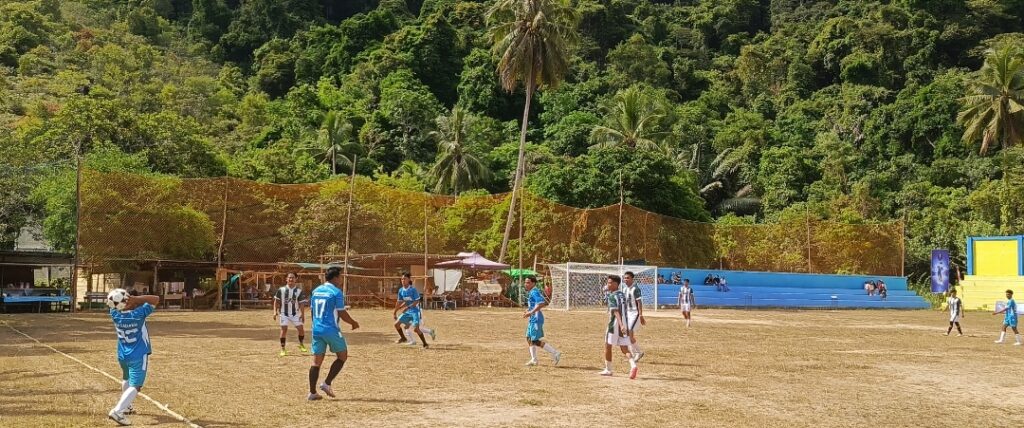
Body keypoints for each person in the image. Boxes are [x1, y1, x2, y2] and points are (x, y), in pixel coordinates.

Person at [107, 293, 161, 426]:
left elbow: (114, 303)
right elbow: (156, 299)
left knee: (126, 378)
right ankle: (117, 411)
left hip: (122, 354)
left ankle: (126, 406)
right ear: (127, 303)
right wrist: (136, 299)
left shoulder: (114, 313)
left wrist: (127, 301)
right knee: (136, 385)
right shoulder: (138, 314)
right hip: (138, 354)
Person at [307, 267, 360, 401]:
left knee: (316, 362)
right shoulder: (336, 292)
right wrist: (353, 322)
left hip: (316, 329)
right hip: (330, 329)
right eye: (340, 277)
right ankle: (327, 383)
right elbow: (341, 312)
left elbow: (312, 311)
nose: (341, 280)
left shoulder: (316, 291)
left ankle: (312, 393)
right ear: (335, 278)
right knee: (342, 356)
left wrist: (315, 325)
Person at [599, 275, 638, 379]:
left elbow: (616, 311)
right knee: (624, 348)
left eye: (610, 283)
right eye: (608, 282)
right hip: (625, 323)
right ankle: (633, 365)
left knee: (608, 345)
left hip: (615, 324)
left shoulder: (612, 296)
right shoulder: (622, 294)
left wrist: (620, 325)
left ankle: (608, 369)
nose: (608, 284)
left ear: (616, 284)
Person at [522, 276, 561, 366]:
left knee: (535, 340)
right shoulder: (532, 291)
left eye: (528, 282)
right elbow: (535, 304)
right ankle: (534, 360)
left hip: (536, 319)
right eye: (525, 282)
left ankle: (555, 353)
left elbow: (541, 303)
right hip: (533, 319)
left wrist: (530, 312)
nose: (526, 284)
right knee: (529, 338)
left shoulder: (534, 292)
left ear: (533, 283)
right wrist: (528, 310)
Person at [393, 273, 435, 348]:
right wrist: (395, 312)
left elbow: (417, 301)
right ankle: (403, 338)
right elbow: (399, 302)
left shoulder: (413, 290)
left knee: (416, 329)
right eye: (402, 279)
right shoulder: (401, 290)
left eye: (404, 279)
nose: (403, 280)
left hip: (415, 311)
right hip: (408, 312)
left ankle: (425, 344)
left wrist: (408, 307)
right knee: (396, 324)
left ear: (409, 280)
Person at [273, 272, 307, 356]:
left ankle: (301, 344)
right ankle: (283, 349)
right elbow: (276, 301)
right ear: (286, 279)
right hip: (284, 313)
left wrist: (302, 314)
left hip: (295, 314)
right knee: (284, 329)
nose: (291, 279)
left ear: (296, 279)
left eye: (292, 277)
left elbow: (302, 303)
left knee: (301, 330)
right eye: (289, 277)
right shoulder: (281, 290)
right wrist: (274, 312)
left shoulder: (299, 291)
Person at [621, 271, 645, 362]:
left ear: (632, 279)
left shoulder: (635, 289)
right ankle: (634, 355)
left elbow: (639, 302)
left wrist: (641, 314)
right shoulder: (624, 288)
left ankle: (638, 353)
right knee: (626, 335)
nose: (625, 279)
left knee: (629, 333)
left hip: (634, 313)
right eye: (624, 278)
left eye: (627, 278)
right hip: (627, 313)